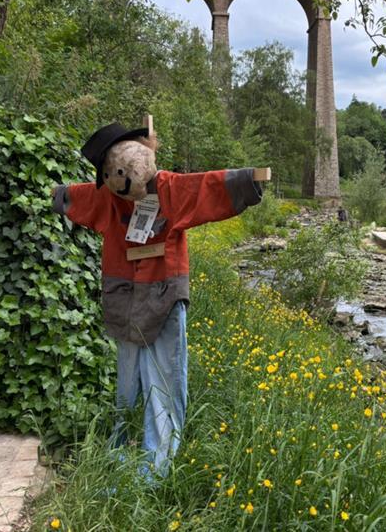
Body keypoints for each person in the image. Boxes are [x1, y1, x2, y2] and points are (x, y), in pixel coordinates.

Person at [52, 122, 264, 480]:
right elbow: (82, 197)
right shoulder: (106, 196)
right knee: (128, 380)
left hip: (164, 296)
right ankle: (128, 439)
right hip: (125, 297)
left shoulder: (170, 189)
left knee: (165, 377)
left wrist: (247, 180)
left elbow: (205, 187)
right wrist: (62, 196)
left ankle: (160, 453)